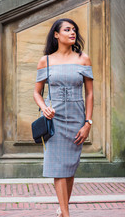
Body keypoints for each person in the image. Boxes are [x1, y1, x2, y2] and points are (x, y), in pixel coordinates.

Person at [33, 18, 94, 217]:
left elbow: (90, 93)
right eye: (67, 29)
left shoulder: (83, 58)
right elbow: (37, 92)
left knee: (69, 167)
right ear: (56, 35)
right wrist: (44, 108)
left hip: (77, 119)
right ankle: (66, 214)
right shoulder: (46, 60)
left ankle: (62, 209)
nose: (72, 32)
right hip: (55, 120)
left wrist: (88, 123)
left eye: (74, 29)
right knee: (59, 168)